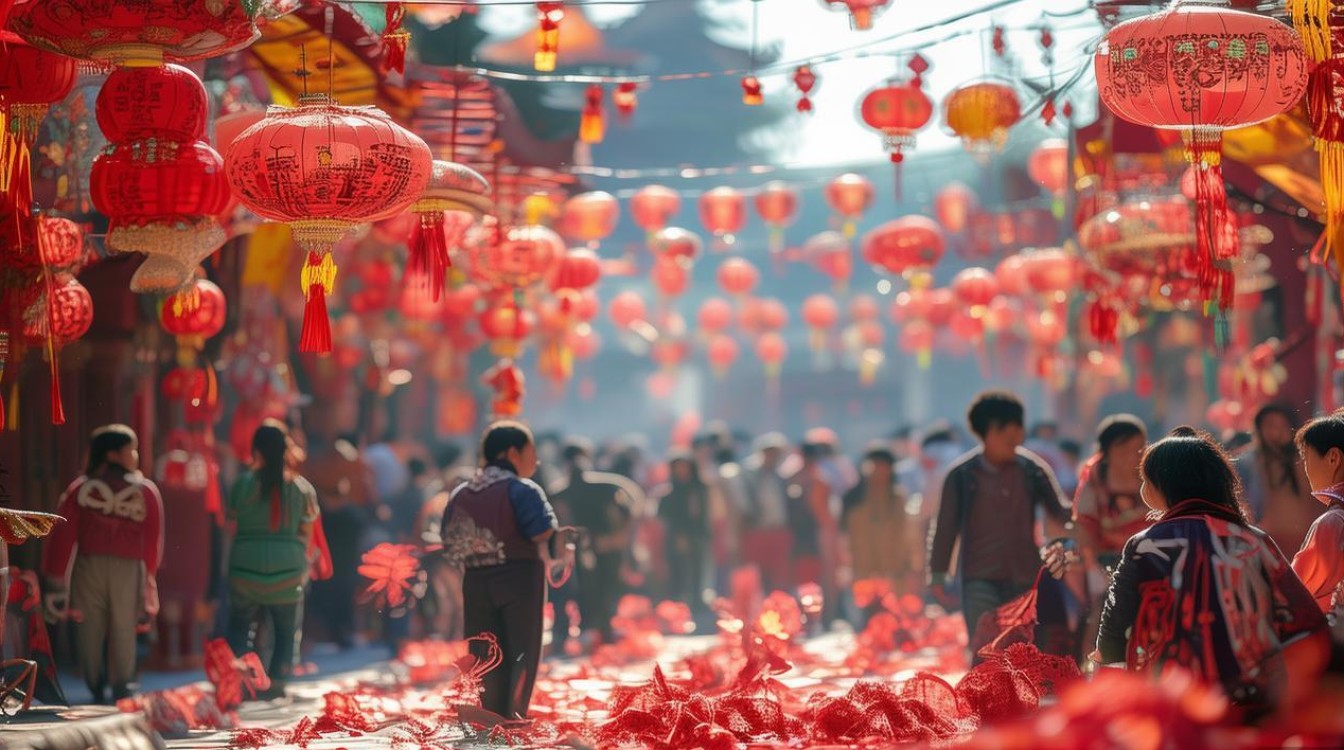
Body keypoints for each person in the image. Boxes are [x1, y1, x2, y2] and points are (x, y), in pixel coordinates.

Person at [1096, 427, 1328, 721]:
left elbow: (1115, 623)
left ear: (1164, 484)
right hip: (1251, 701)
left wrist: (1108, 681)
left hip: (1171, 701)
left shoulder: (1147, 544)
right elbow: (1304, 620)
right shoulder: (1253, 540)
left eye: (1146, 479)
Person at [928, 391, 1071, 646]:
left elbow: (1060, 512)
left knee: (1021, 649)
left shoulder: (1031, 470)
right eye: (1011, 430)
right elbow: (946, 527)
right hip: (979, 579)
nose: (1018, 436)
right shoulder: (961, 476)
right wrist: (938, 573)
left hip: (1024, 577)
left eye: (1019, 429)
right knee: (985, 650)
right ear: (990, 431)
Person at [439, 421, 561, 721]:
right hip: (519, 579)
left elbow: (447, 540)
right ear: (512, 453)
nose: (536, 460)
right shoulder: (522, 489)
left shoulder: (460, 493)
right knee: (521, 650)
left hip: (476, 581)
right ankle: (515, 716)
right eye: (531, 451)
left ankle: (490, 714)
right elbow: (541, 533)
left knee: (485, 651)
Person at [43, 425, 163, 704]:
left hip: (89, 566)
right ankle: (123, 685)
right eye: (130, 449)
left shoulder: (80, 489)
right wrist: (150, 575)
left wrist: (55, 576)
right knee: (124, 627)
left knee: (89, 626)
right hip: (129, 567)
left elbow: (62, 534)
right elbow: (154, 538)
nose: (135, 454)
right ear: (113, 454)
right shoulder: (145, 491)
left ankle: (94, 683)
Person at [223, 422, 320, 700]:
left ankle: (240, 681)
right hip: (287, 568)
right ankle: (277, 680)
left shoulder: (242, 484)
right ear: (286, 450)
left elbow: (231, 526)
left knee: (240, 625)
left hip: (245, 565)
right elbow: (306, 533)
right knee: (286, 628)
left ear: (256, 450)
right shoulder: (302, 489)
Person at [547, 438, 639, 647]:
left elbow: (630, 513)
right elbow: (631, 512)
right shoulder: (604, 487)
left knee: (599, 586)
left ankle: (598, 627)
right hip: (588, 546)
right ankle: (595, 628)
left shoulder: (605, 487)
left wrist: (620, 538)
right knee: (590, 587)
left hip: (595, 545)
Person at [1071, 414, 1149, 660]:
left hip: (1149, 555)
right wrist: (1091, 565)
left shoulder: (1149, 470)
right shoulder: (1095, 475)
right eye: (1125, 448)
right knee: (1104, 612)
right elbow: (1084, 523)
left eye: (1139, 447)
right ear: (1108, 449)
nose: (1134, 455)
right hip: (1108, 559)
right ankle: (1093, 666)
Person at [306, 432, 376, 649]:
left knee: (334, 590)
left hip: (336, 552)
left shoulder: (328, 471)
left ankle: (334, 632)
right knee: (338, 590)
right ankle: (336, 632)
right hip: (338, 551)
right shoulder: (357, 469)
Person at [1238, 404, 1322, 556]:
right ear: (1258, 429)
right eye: (1270, 426)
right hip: (1266, 546)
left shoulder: (1307, 459)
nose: (1276, 431)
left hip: (1308, 545)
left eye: (1282, 425)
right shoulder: (1247, 463)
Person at [842, 444, 917, 595]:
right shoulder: (853, 498)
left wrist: (910, 565)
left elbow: (906, 535)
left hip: (893, 572)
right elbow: (844, 536)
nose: (878, 471)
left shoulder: (897, 498)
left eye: (883, 466)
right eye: (874, 466)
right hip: (862, 571)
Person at [1291, 412, 1344, 622]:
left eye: (1306, 457)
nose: (1305, 468)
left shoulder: (1331, 524)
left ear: (1333, 458)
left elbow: (1294, 592)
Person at [738, 433, 794, 592]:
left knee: (779, 577)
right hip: (757, 532)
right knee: (757, 578)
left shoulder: (782, 477)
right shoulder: (750, 477)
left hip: (779, 531)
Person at [656, 451, 709, 613]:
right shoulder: (668, 493)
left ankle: (697, 602)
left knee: (698, 570)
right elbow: (664, 518)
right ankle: (679, 606)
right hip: (676, 538)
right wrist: (678, 536)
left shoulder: (700, 489)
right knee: (679, 572)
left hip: (698, 536)